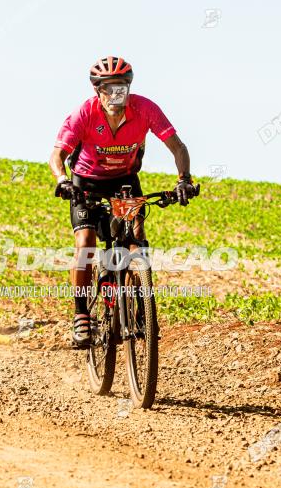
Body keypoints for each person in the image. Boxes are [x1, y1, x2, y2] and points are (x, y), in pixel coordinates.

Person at [48, 56, 197, 348]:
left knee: (136, 241)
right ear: (98, 90)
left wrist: (184, 179)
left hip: (124, 181)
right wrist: (61, 180)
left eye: (121, 87)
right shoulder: (84, 113)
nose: (116, 93)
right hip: (85, 182)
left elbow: (177, 146)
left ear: (128, 88)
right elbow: (57, 155)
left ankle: (142, 307)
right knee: (86, 245)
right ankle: (81, 316)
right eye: (108, 88)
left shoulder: (145, 109)